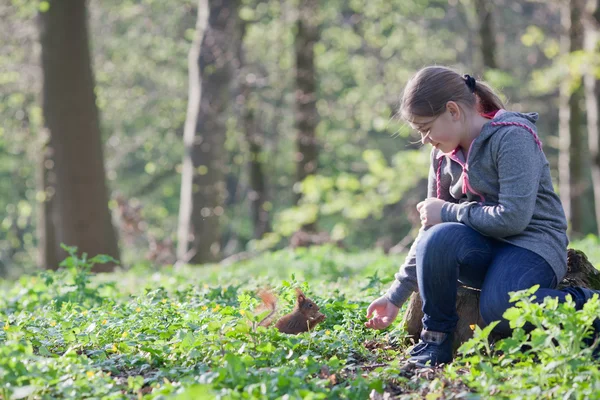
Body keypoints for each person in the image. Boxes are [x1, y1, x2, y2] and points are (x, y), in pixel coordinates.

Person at [364, 66, 600, 367]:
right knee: (438, 237)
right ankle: (435, 340)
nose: (424, 140)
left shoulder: (511, 137)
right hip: (482, 246)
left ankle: (590, 306)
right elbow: (430, 230)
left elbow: (513, 218)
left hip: (530, 244)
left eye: (426, 128)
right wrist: (395, 296)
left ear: (453, 111)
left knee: (501, 309)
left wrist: (448, 211)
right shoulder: (442, 155)